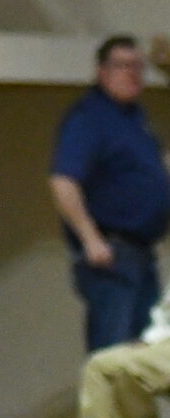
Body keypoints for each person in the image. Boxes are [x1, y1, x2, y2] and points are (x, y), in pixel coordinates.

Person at [51, 36, 170, 353]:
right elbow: (64, 181)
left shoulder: (136, 119)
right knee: (113, 355)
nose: (132, 74)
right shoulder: (90, 118)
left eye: (138, 67)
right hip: (112, 252)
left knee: (146, 353)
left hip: (143, 252)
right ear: (102, 71)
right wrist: (91, 239)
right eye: (123, 66)